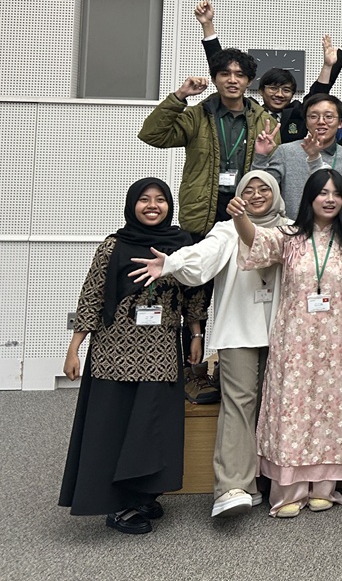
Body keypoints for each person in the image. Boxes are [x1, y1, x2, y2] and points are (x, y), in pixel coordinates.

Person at [230, 169, 342, 517]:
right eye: (323, 193)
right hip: (293, 342)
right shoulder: (289, 237)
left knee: (328, 411)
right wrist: (240, 218)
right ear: (310, 198)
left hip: (333, 345)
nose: (330, 199)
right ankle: (289, 492)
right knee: (292, 411)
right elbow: (256, 242)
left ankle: (324, 487)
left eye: (336, 194)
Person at [127, 171, 289, 519]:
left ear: (277, 193)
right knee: (239, 404)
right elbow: (201, 257)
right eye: (249, 189)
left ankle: (268, 481)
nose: (257, 194)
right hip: (238, 331)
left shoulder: (291, 229)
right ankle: (232, 486)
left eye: (264, 189)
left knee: (276, 406)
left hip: (284, 333)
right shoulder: (227, 230)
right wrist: (171, 262)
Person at [59, 179, 202, 534]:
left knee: (152, 427)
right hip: (115, 351)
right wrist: (74, 348)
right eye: (144, 199)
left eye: (160, 200)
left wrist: (196, 335)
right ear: (131, 204)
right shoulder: (113, 246)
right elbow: (91, 296)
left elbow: (194, 295)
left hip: (161, 352)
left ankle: (142, 494)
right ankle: (117, 505)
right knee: (114, 427)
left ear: (169, 205)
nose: (153, 206)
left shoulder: (182, 246)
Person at [139, 51, 274, 238]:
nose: (232, 80)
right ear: (214, 79)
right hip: (202, 211)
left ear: (249, 81)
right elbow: (152, 135)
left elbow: (272, 172)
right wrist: (180, 96)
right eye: (225, 74)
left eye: (240, 75)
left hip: (247, 208)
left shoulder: (265, 122)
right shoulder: (197, 116)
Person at [195, 0, 342, 144]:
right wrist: (207, 25)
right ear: (261, 90)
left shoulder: (298, 113)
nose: (279, 94)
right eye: (273, 88)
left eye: (286, 90)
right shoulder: (249, 110)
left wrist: (335, 57)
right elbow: (221, 68)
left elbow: (321, 89)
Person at [252, 94, 342, 218]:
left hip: (333, 228)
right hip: (291, 226)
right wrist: (261, 156)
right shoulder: (286, 152)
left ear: (340, 122)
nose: (321, 122)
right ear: (306, 122)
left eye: (328, 117)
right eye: (313, 116)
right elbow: (261, 189)